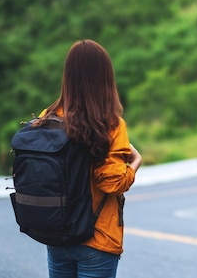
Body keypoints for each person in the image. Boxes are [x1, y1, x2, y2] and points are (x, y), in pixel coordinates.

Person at [38, 39, 142, 278]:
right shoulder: (111, 124)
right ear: (105, 78)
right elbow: (113, 183)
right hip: (98, 239)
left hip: (57, 236)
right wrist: (135, 162)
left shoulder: (48, 117)